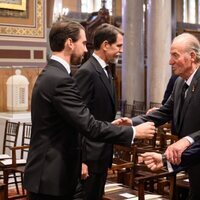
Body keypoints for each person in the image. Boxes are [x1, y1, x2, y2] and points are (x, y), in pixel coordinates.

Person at [23, 21, 156, 200]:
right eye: (84, 43)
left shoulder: (53, 74)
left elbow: (74, 121)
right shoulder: (60, 79)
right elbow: (88, 125)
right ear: (70, 43)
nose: (86, 50)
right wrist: (132, 131)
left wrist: (110, 125)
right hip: (51, 177)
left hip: (52, 174)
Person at [113, 32, 200, 200]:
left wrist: (188, 140)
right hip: (190, 161)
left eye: (175, 55)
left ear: (192, 56)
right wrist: (131, 122)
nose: (170, 62)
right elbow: (163, 112)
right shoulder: (179, 82)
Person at [74, 23, 123, 200]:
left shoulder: (106, 70)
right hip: (90, 157)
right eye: (118, 45)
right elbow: (78, 119)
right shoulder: (87, 71)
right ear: (105, 45)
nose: (121, 50)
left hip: (102, 153)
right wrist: (81, 161)